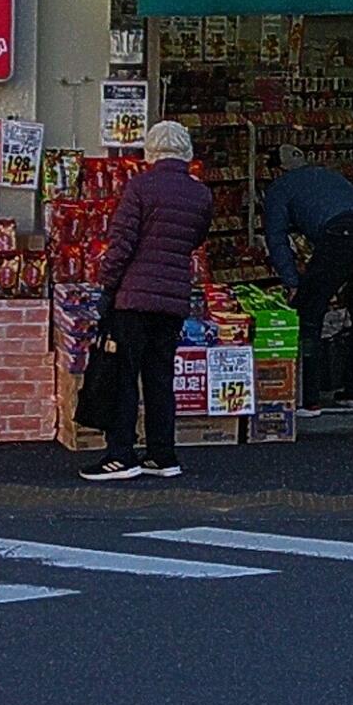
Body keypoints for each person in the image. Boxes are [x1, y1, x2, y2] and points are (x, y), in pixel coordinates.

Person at [81, 120, 214, 483]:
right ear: (186, 151)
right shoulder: (201, 195)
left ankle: (120, 455)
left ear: (152, 152)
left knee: (124, 375)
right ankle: (162, 453)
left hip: (134, 297)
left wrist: (107, 285)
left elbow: (121, 244)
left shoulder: (140, 187)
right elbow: (193, 239)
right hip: (172, 299)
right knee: (160, 377)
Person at [262, 152, 353, 413]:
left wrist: (292, 282)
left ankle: (308, 397)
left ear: (277, 170)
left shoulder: (279, 188)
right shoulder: (328, 175)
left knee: (308, 315)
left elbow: (277, 239)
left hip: (342, 236)